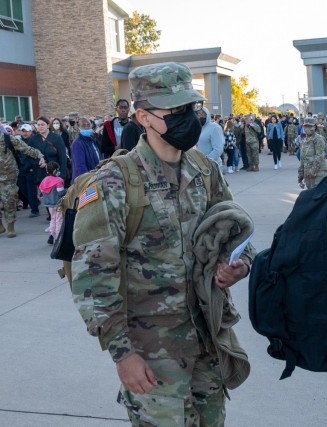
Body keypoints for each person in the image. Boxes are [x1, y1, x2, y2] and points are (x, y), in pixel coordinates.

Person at [71, 62, 254, 426]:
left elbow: (236, 230)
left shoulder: (204, 169)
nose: (189, 118)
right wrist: (123, 354)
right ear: (144, 117)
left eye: (192, 109)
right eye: (176, 111)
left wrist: (239, 263)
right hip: (152, 354)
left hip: (208, 341)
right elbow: (93, 278)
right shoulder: (115, 182)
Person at [0, 125, 46, 238]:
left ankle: (10, 225)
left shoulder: (7, 139)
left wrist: (40, 155)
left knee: (9, 200)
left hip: (8, 176)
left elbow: (26, 149)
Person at [31, 117, 68, 190]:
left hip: (55, 173)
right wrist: (38, 162)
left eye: (42, 124)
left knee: (55, 198)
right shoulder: (33, 139)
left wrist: (62, 176)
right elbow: (29, 156)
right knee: (44, 199)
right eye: (38, 125)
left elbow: (63, 158)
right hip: (39, 174)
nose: (40, 127)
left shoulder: (56, 138)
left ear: (48, 125)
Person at [297, 117, 327, 189]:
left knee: (317, 196)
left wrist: (312, 171)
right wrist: (300, 175)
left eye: (309, 126)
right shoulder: (305, 140)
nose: (307, 128)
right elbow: (302, 159)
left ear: (314, 127)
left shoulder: (318, 139)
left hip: (319, 173)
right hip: (308, 174)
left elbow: (319, 157)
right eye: (305, 126)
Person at [39, 161, 65, 244]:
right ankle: (58, 238)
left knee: (52, 219)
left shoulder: (44, 180)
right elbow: (60, 192)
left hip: (49, 204)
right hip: (58, 204)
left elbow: (41, 191)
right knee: (59, 220)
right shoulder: (59, 180)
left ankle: (51, 236)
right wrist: (67, 191)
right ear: (57, 170)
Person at [70, 117, 103, 182]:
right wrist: (88, 181)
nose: (86, 127)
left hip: (96, 177)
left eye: (88, 125)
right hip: (86, 181)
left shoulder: (93, 140)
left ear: (91, 125)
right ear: (79, 127)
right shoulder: (78, 143)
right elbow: (80, 166)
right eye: (83, 125)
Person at [195, 106, 225, 171]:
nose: (200, 116)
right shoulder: (196, 128)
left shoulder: (215, 127)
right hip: (198, 167)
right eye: (198, 114)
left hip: (212, 167)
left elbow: (218, 150)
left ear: (207, 115)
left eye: (202, 114)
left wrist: (205, 161)